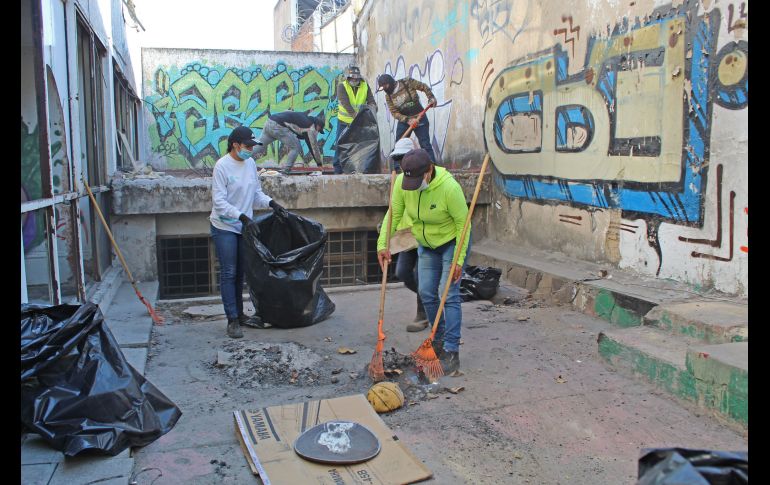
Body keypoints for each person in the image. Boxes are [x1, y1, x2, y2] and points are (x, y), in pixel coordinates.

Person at [377, 149, 470, 373]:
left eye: (417, 179)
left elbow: (463, 225)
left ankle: (451, 350)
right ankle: (437, 340)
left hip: (451, 243)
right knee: (427, 292)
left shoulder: (449, 188)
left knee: (448, 294)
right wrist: (383, 244)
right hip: (426, 244)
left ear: (429, 170)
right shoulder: (402, 182)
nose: (413, 184)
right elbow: (394, 214)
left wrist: (459, 259)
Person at [210, 126, 289, 338]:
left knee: (241, 274)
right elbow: (219, 202)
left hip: (244, 227)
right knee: (229, 272)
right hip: (225, 226)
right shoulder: (222, 166)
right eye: (247, 146)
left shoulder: (250, 163)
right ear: (235, 145)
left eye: (252, 146)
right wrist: (241, 216)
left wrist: (273, 204)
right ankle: (232, 319)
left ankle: (240, 314)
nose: (250, 150)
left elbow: (256, 193)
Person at [386, 138, 428, 331]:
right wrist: (385, 235)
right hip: (406, 236)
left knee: (421, 277)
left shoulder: (427, 178)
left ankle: (423, 313)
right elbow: (395, 210)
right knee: (402, 272)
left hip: (425, 235)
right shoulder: (401, 180)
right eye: (399, 159)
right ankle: (431, 301)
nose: (402, 163)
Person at [376, 73, 437, 163]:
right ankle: (398, 170)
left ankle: (433, 168)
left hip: (419, 117)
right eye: (382, 88)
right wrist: (407, 120)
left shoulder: (407, 82)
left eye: (386, 85)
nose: (385, 89)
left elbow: (423, 87)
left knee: (425, 144)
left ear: (390, 82)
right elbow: (394, 112)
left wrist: (431, 97)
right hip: (404, 121)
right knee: (399, 146)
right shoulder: (388, 96)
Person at [252, 111, 325, 175]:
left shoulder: (304, 117)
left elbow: (303, 136)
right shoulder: (311, 127)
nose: (317, 132)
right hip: (278, 126)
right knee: (296, 147)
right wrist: (319, 164)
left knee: (259, 146)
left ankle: (242, 157)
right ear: (318, 125)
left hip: (270, 121)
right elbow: (313, 146)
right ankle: (285, 172)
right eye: (319, 130)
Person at [333, 65, 377, 174]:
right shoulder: (342, 86)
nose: (355, 80)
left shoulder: (365, 86)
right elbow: (346, 104)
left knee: (358, 147)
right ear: (348, 78)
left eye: (356, 78)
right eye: (352, 78)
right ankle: (337, 170)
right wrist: (356, 117)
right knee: (340, 144)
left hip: (358, 123)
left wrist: (373, 110)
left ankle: (356, 169)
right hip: (344, 121)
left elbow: (371, 101)